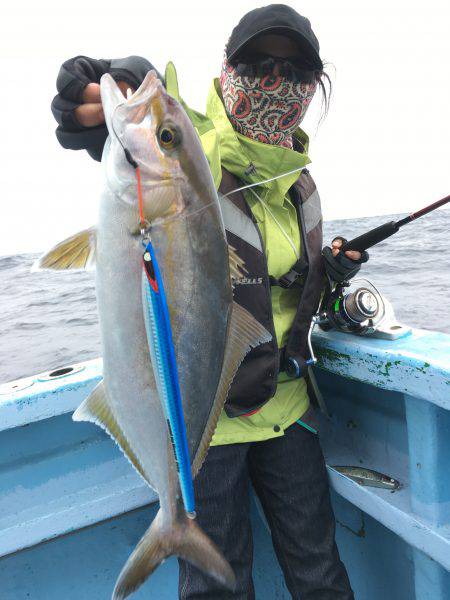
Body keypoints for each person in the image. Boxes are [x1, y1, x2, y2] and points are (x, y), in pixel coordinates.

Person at [51, 5, 368, 599]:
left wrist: (327, 273)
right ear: (227, 70)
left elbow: (280, 292)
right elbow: (156, 141)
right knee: (216, 591)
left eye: (295, 70)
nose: (275, 82)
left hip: (289, 412)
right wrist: (107, 88)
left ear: (314, 87)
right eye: (257, 64)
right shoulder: (197, 148)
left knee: (320, 573)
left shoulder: (298, 185)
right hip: (207, 429)